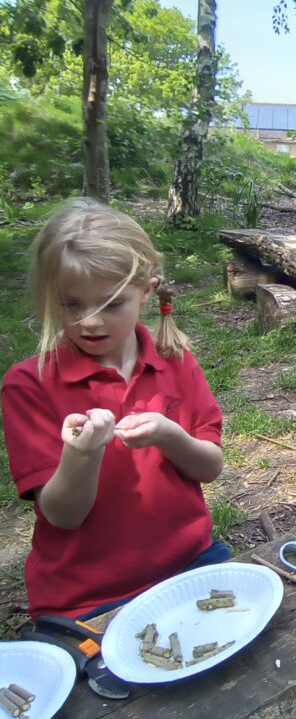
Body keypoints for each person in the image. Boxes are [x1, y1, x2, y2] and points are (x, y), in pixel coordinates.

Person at [1, 199, 228, 620]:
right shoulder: (30, 384)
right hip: (86, 598)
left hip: (189, 561)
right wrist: (82, 453)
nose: (89, 321)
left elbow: (209, 467)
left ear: (147, 290)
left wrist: (169, 435)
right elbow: (64, 516)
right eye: (72, 305)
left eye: (109, 304)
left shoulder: (174, 359)